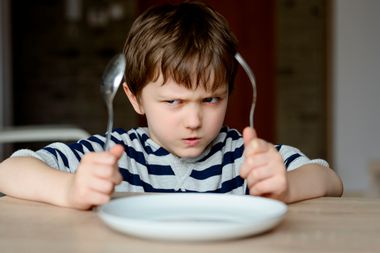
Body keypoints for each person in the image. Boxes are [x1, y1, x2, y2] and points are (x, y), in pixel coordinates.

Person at [0, 1, 343, 210]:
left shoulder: (244, 157)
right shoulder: (117, 152)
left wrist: (287, 187)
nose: (193, 120)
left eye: (211, 99)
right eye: (173, 101)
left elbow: (329, 179)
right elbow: (9, 171)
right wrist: (70, 189)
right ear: (135, 97)